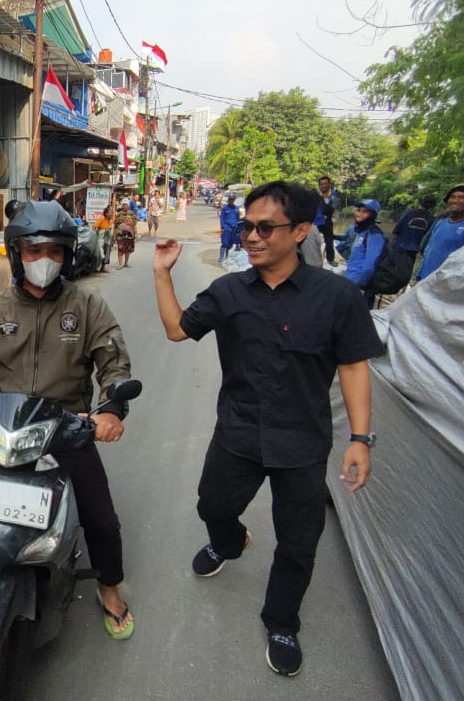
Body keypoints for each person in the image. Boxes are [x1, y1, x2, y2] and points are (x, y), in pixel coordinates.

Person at [151, 181, 383, 677]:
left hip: (302, 441)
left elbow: (354, 367)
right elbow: (176, 330)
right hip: (238, 431)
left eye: (264, 228)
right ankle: (229, 541)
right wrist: (162, 275)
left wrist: (360, 440)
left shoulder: (337, 297)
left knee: (298, 542)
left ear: (300, 231)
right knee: (212, 505)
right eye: (247, 227)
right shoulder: (229, 291)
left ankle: (282, 620)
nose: (251, 237)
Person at [0, 200, 136, 639]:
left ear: (67, 254)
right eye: (35, 250)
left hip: (66, 429)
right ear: (17, 252)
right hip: (5, 427)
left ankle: (110, 586)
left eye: (55, 251)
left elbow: (114, 363)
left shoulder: (88, 306)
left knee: (101, 519)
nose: (45, 260)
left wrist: (113, 408)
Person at [415, 183, 464, 282]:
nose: (455, 200)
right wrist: (419, 274)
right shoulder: (441, 222)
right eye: (452, 197)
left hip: (447, 282)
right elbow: (429, 250)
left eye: (461, 197)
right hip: (426, 278)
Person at [338, 199, 388, 305]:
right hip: (350, 280)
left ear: (373, 215)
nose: (359, 214)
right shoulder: (361, 232)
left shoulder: (375, 235)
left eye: (365, 212)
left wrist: (362, 286)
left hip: (360, 285)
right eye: (359, 210)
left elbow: (370, 265)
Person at [392, 194, 436, 259]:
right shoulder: (431, 219)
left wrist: (392, 243)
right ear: (431, 207)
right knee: (408, 268)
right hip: (414, 250)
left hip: (401, 246)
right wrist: (422, 250)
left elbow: (396, 230)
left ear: (421, 203)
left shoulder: (409, 213)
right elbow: (428, 237)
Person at [314, 176, 341, 266]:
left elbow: (335, 209)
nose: (324, 186)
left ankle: (330, 259)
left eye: (326, 184)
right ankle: (315, 259)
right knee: (314, 240)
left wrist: (332, 219)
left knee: (329, 240)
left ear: (329, 184)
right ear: (319, 186)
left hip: (327, 221)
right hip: (315, 220)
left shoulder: (334, 195)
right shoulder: (315, 194)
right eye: (321, 184)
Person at [218, 194, 242, 262]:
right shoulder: (225, 208)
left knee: (230, 244)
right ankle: (221, 257)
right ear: (228, 200)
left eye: (232, 199)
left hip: (234, 227)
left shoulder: (237, 208)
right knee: (225, 243)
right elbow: (222, 218)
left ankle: (227, 257)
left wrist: (238, 227)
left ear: (234, 200)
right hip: (227, 227)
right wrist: (222, 227)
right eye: (230, 199)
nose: (231, 200)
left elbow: (238, 218)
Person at [94, 203, 114, 270]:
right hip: (102, 236)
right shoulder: (102, 218)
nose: (112, 214)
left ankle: (103, 267)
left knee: (107, 251)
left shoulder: (109, 220)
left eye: (112, 212)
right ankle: (98, 267)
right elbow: (94, 226)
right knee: (101, 251)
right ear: (106, 213)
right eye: (111, 212)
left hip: (107, 236)